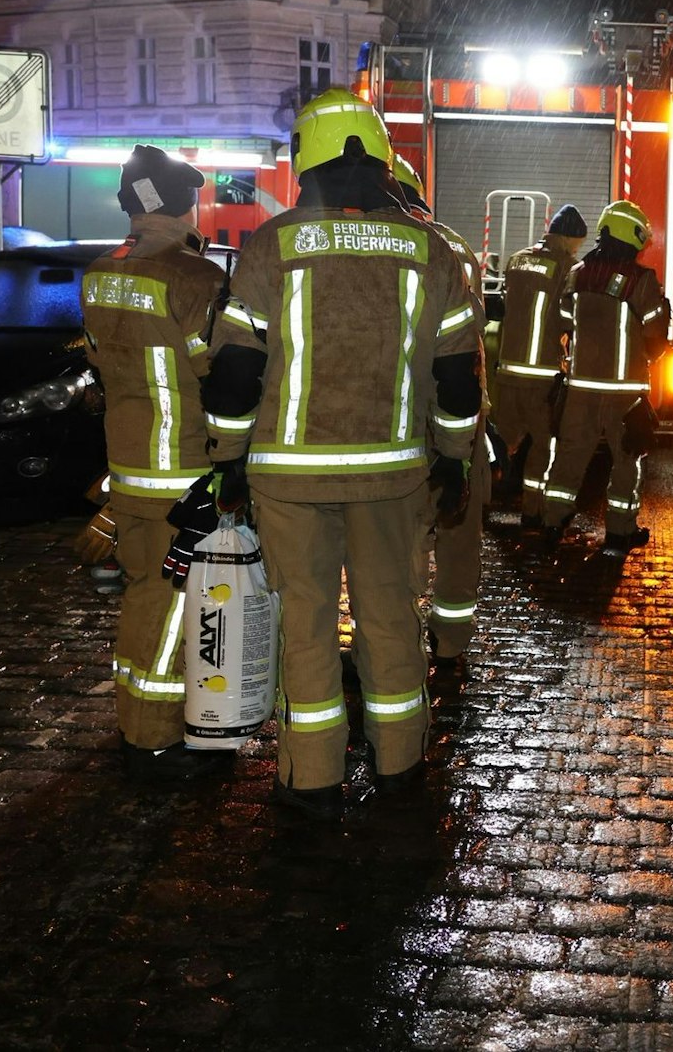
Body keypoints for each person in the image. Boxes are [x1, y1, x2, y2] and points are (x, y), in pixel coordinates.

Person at [203, 91, 482, 819]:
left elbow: (236, 371)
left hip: (291, 480)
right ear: (382, 160)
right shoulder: (433, 250)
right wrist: (453, 457)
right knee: (393, 617)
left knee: (307, 620)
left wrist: (227, 456)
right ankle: (399, 765)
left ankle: (312, 777)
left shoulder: (271, 246)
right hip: (394, 477)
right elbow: (459, 377)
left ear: (308, 159)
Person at [78, 145, 229, 781]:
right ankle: (152, 739)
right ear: (178, 205)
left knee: (146, 593)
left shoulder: (98, 275)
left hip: (132, 470)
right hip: (185, 474)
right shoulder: (195, 279)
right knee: (167, 606)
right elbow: (218, 376)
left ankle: (147, 721)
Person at [393, 154, 489, 677]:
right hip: (461, 416)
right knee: (458, 533)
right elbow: (470, 336)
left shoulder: (388, 248)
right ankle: (450, 642)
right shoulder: (456, 248)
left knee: (404, 538)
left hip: (402, 421)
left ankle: (395, 643)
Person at [538, 199, 670, 554]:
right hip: (625, 392)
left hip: (580, 388)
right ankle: (619, 532)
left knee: (569, 456)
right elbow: (657, 335)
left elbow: (562, 321)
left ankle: (552, 520)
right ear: (635, 237)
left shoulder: (578, 272)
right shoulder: (642, 280)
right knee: (626, 460)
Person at [491, 203, 584, 526]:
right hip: (543, 374)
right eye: (578, 243)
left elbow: (505, 304)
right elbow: (568, 318)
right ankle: (532, 511)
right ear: (571, 239)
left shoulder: (516, 260)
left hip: (508, 369)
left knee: (502, 439)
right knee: (544, 444)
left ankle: (482, 499)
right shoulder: (569, 267)